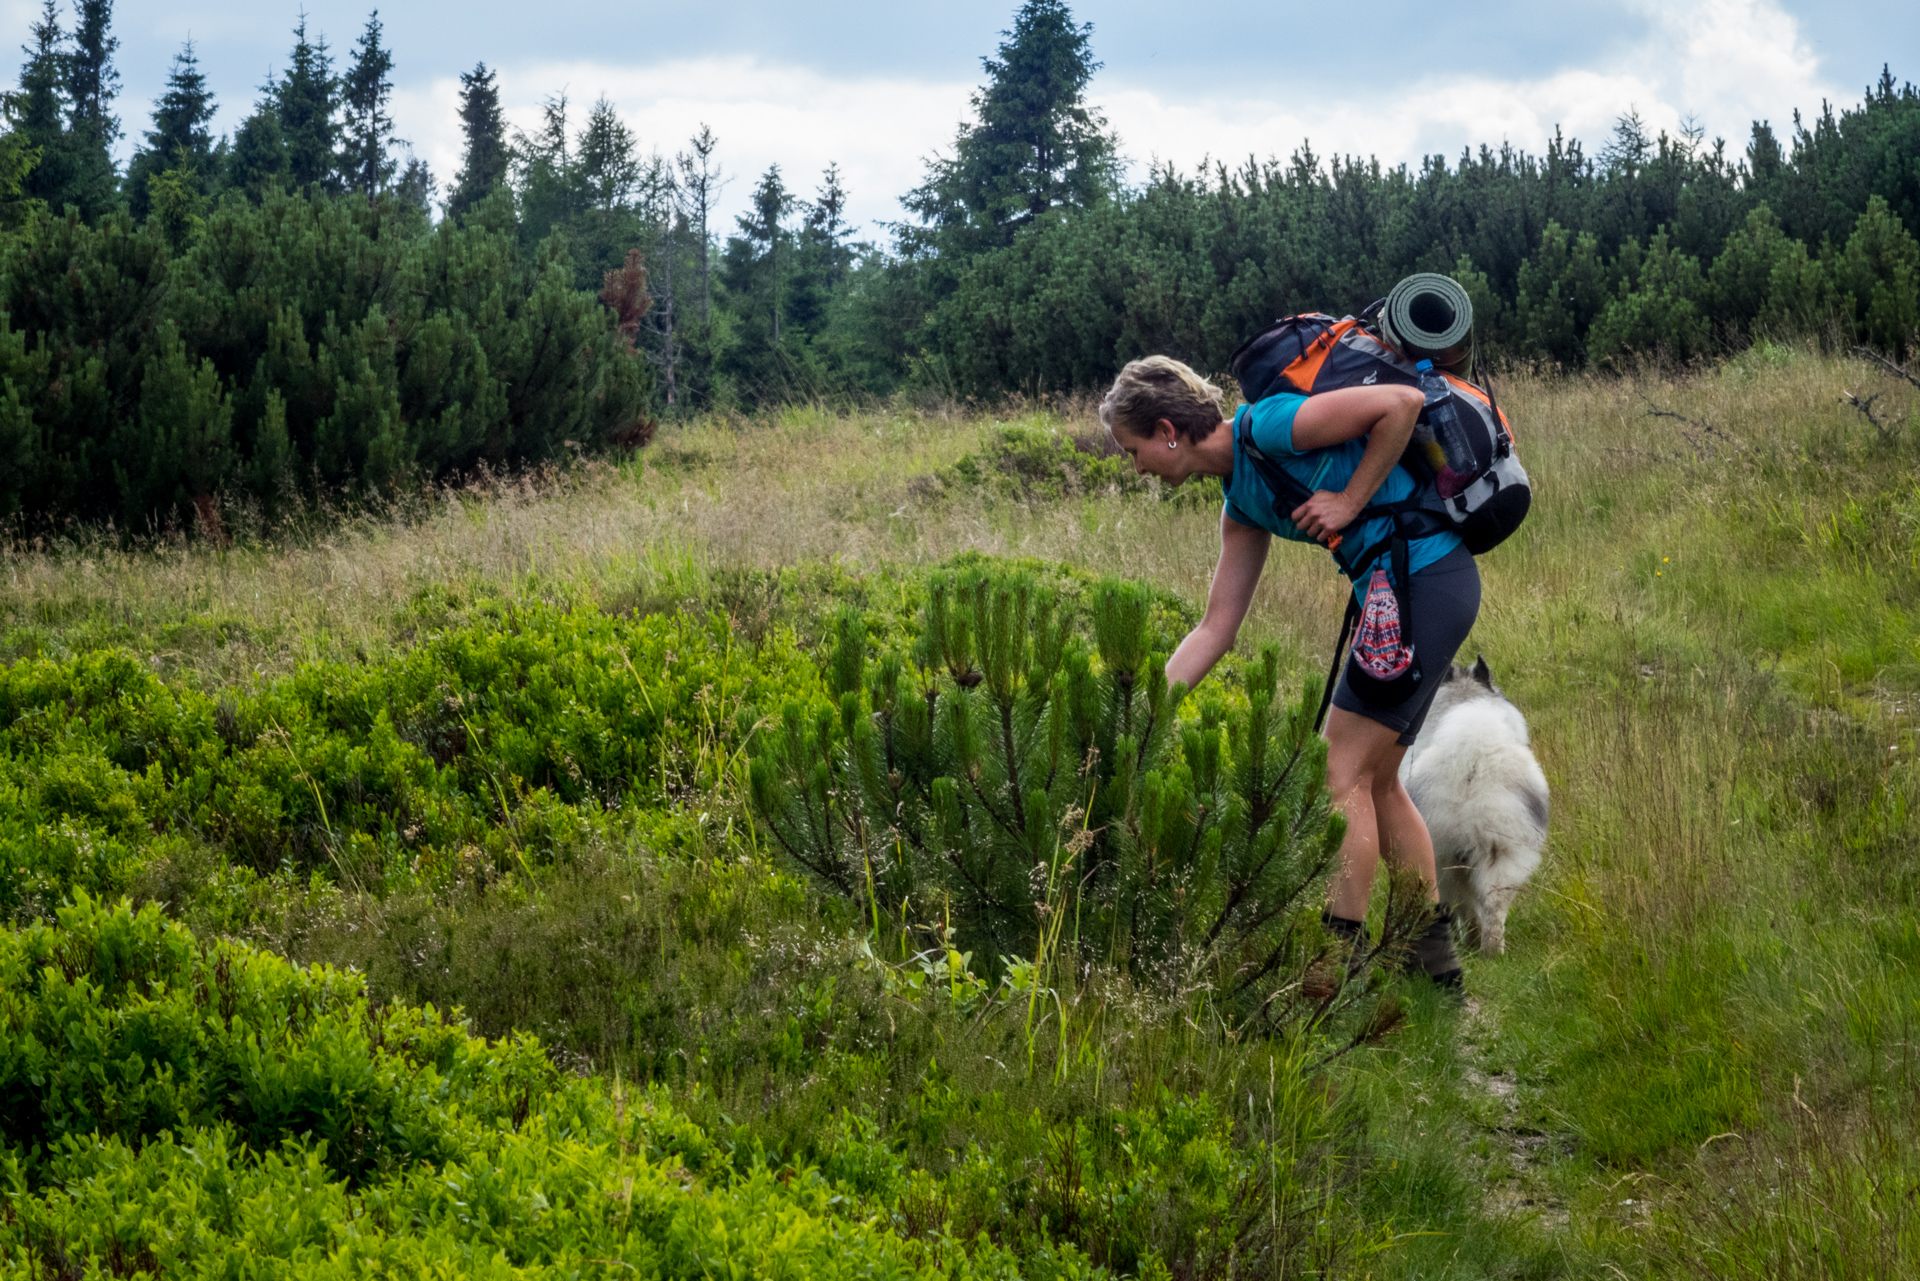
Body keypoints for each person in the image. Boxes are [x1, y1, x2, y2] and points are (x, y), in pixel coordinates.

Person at [1099, 355, 1479, 989]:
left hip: (1423, 583)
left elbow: (1400, 405)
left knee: (1337, 774)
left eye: (1133, 449)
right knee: (1380, 781)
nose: (1135, 466)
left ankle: (1330, 973)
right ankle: (1432, 963)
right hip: (1412, 595)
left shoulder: (1270, 427)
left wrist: (1348, 501)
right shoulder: (1240, 504)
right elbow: (1215, 629)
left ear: (1168, 429)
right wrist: (1146, 712)